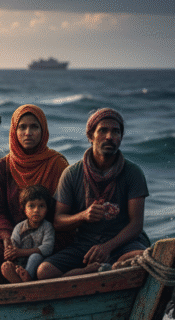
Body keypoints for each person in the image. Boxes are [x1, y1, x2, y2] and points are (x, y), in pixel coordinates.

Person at [37, 108, 150, 279]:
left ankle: (108, 267)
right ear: (90, 136)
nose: (110, 137)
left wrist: (107, 247)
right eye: (103, 130)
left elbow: (136, 225)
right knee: (44, 271)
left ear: (121, 138)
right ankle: (91, 272)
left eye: (116, 131)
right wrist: (83, 216)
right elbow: (58, 221)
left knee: (142, 259)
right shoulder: (72, 174)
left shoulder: (133, 173)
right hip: (86, 245)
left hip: (124, 243)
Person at [0, 105, 68, 284]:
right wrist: (7, 239)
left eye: (34, 127)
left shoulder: (57, 164)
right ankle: (13, 290)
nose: (28, 132)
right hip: (14, 234)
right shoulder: (3, 167)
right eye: (22, 127)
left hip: (49, 234)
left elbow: (65, 208)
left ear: (43, 130)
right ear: (14, 131)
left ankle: (23, 284)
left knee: (58, 252)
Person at [1, 185, 55, 283]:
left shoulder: (47, 227)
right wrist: (9, 251)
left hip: (37, 265)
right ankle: (20, 282)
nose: (36, 210)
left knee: (35, 256)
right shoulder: (19, 227)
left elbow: (47, 249)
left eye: (41, 206)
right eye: (31, 206)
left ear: (47, 209)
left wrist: (20, 252)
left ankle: (27, 276)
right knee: (5, 266)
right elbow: (14, 247)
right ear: (24, 209)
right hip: (19, 265)